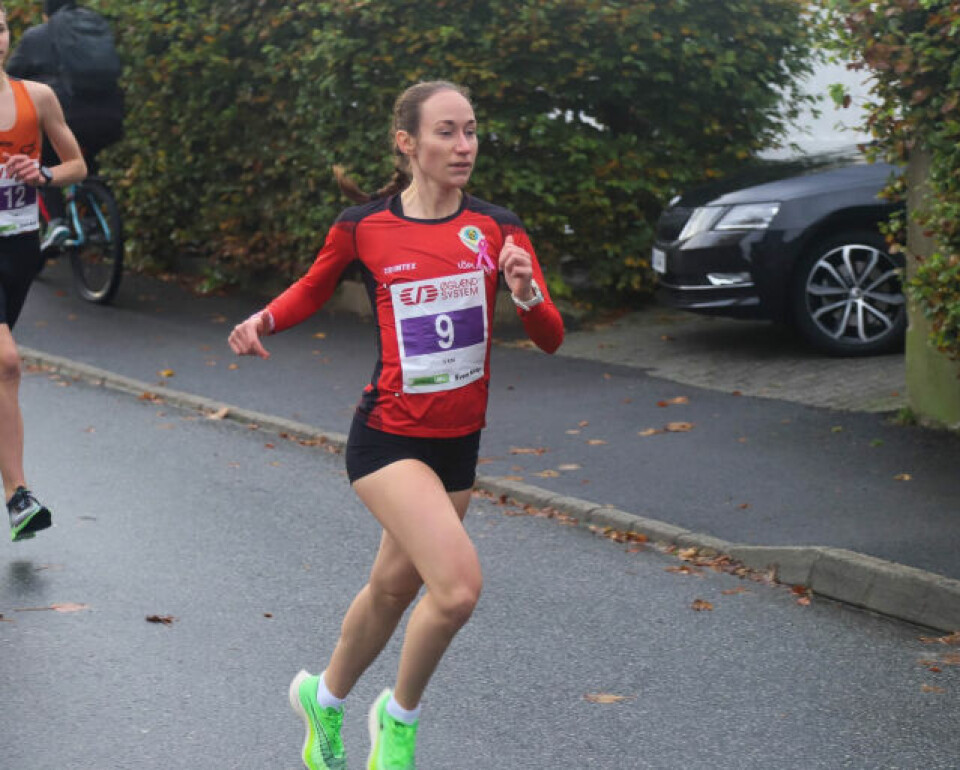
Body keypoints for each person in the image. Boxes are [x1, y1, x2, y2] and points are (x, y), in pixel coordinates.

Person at [228, 80, 564, 770]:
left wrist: (525, 292)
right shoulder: (365, 226)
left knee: (392, 589)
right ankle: (398, 719)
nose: (464, 146)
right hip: (387, 439)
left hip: (458, 445)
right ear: (407, 142)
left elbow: (552, 336)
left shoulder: (498, 227)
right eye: (446, 131)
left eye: (470, 131)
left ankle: (323, 699)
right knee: (459, 588)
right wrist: (264, 318)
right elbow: (314, 286)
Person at [0, 1, 86, 541]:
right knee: (6, 364)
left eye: (1, 27)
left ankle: (15, 496)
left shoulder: (38, 96)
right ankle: (19, 495)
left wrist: (45, 172)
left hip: (18, 247)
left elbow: (78, 165)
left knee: (0, 372)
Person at [5, 0, 122, 251]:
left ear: (47, 14)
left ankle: (56, 221)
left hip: (67, 112)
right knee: (82, 160)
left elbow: (11, 76)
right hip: (110, 114)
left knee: (40, 160)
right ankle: (93, 216)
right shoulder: (96, 28)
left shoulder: (37, 35)